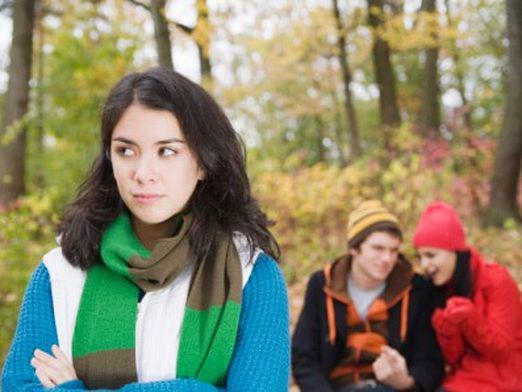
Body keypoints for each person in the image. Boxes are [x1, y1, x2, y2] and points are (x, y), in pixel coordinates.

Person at [1, 67, 290, 391]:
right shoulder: (61, 271)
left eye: (167, 151)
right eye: (126, 150)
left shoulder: (250, 274)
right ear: (109, 158)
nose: (143, 172)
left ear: (204, 162)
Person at [292, 200, 444, 392]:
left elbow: (430, 359)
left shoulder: (415, 289)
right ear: (354, 249)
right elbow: (303, 356)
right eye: (378, 248)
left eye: (394, 250)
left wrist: (406, 382)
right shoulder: (322, 284)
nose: (387, 259)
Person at [413, 201, 522, 392]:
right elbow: (453, 358)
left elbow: (501, 349)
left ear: (454, 250)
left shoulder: (497, 280)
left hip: (504, 381)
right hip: (461, 381)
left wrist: (468, 318)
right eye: (420, 256)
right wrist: (446, 329)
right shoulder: (443, 286)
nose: (424, 264)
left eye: (431, 255)